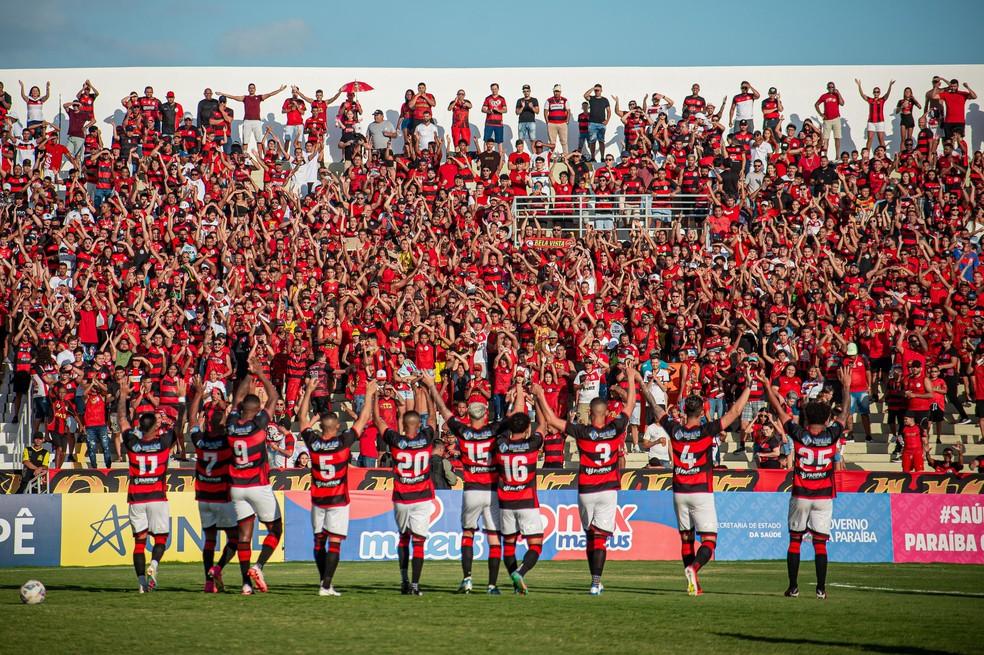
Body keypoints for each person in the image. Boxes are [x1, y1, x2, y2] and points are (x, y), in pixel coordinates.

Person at [534, 361, 637, 596]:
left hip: (586, 490)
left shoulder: (582, 431)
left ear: (590, 414)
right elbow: (630, 405)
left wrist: (540, 396)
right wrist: (630, 378)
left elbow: (551, 420)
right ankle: (595, 582)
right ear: (605, 413)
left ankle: (595, 581)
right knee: (600, 537)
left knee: (591, 535)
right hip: (608, 489)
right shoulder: (616, 428)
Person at [649, 375, 751, 596]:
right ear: (703, 411)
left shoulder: (675, 430)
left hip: (679, 491)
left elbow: (657, 410)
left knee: (686, 538)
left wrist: (641, 385)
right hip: (701, 491)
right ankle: (693, 569)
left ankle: (693, 582)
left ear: (684, 410)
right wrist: (749, 387)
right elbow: (733, 413)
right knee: (709, 540)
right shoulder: (706, 430)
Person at [763, 366, 851, 601]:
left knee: (795, 540)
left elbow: (780, 411)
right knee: (820, 544)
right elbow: (843, 416)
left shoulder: (799, 435)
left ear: (807, 418)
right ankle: (821, 589)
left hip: (802, 494)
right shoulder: (832, 435)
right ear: (825, 419)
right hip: (823, 497)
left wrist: (765, 386)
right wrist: (847, 387)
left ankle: (793, 587)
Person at [423, 374, 503, 594]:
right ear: (486, 414)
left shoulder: (465, 432)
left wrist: (431, 386)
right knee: (494, 538)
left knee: (468, 534)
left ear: (468, 413)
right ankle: (492, 585)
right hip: (491, 490)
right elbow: (515, 416)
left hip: (471, 490)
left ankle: (467, 579)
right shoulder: (493, 431)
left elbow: (445, 412)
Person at [297, 377, 375, 596]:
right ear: (337, 427)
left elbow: (302, 420)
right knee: (335, 541)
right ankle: (326, 585)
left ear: (321, 427)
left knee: (318, 540)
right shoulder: (343, 442)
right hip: (338, 499)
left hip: (318, 498)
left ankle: (324, 582)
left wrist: (308, 392)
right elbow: (363, 419)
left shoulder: (313, 442)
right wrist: (369, 394)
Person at [225, 356, 283, 595]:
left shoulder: (230, 424)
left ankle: (245, 585)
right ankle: (258, 566)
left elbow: (236, 399)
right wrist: (259, 373)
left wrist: (247, 375)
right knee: (275, 529)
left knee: (244, 536)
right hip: (258, 485)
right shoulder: (259, 424)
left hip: (236, 487)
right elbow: (274, 398)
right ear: (257, 410)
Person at [375, 392, 437, 596]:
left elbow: (378, 420)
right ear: (418, 424)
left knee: (403, 538)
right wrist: (428, 393)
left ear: (402, 422)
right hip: (421, 496)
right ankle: (416, 585)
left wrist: (374, 397)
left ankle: (404, 580)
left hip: (402, 497)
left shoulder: (395, 440)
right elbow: (433, 419)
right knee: (419, 541)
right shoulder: (426, 438)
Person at [117, 381, 174, 593]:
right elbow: (180, 421)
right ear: (156, 427)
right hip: (157, 497)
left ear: (139, 427)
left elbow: (122, 419)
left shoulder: (132, 442)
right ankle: (154, 565)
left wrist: (123, 396)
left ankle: (141, 584)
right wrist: (182, 397)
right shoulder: (165, 442)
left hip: (136, 498)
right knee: (161, 539)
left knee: (139, 543)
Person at [186, 378, 239, 593]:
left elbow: (191, 422)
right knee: (235, 539)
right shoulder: (228, 441)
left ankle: (209, 582)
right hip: (223, 497)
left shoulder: (200, 440)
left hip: (204, 498)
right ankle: (217, 568)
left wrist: (198, 394)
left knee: (209, 539)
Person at [495, 405, 544, 596]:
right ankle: (519, 573)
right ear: (526, 429)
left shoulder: (500, 444)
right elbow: (543, 424)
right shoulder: (532, 443)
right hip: (527, 502)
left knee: (508, 545)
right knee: (536, 545)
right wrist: (539, 399)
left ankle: (517, 585)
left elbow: (499, 430)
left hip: (506, 502)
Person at [216, 83, 287, 149]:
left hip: (257, 121)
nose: (251, 89)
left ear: (255, 89)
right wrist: (223, 94)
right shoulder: (245, 98)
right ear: (248, 89)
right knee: (245, 141)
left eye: (253, 88)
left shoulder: (259, 97)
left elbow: (270, 94)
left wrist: (280, 90)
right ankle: (245, 155)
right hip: (247, 121)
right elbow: (234, 97)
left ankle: (260, 157)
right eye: (250, 88)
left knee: (259, 141)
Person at [855, 78, 895, 150]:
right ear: (873, 93)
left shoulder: (882, 100)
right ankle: (866, 154)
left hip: (880, 122)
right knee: (870, 139)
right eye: (875, 92)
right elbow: (862, 95)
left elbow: (887, 94)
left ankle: (884, 156)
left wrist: (890, 86)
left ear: (879, 93)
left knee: (881, 139)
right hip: (871, 122)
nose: (876, 93)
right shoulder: (871, 100)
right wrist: (859, 86)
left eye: (877, 92)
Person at [814, 81, 844, 156]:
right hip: (827, 120)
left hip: (836, 118)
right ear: (827, 88)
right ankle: (825, 155)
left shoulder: (836, 95)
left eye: (832, 87)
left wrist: (838, 93)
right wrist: (821, 114)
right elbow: (816, 104)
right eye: (830, 87)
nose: (831, 88)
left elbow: (842, 103)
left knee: (837, 138)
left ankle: (837, 155)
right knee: (826, 138)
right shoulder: (824, 96)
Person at [582, 84, 611, 161]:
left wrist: (607, 120)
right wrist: (593, 88)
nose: (597, 92)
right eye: (596, 90)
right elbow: (585, 95)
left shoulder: (605, 100)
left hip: (601, 124)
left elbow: (608, 111)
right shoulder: (591, 98)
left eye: (598, 90)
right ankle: (593, 157)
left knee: (601, 141)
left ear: (601, 90)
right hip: (592, 123)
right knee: (592, 141)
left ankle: (602, 157)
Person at [543, 84, 570, 154]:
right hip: (552, 124)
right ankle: (551, 157)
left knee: (564, 141)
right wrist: (547, 122)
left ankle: (566, 156)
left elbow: (568, 111)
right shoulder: (549, 100)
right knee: (552, 142)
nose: (556, 93)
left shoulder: (565, 100)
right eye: (555, 91)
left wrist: (567, 121)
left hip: (562, 124)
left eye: (557, 91)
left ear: (560, 92)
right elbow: (545, 111)